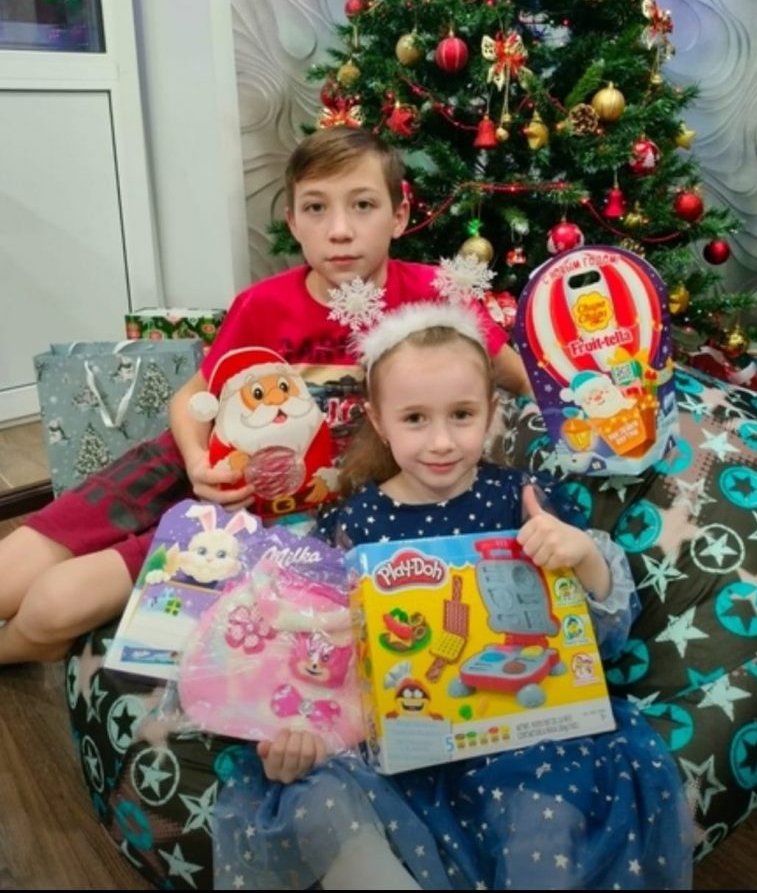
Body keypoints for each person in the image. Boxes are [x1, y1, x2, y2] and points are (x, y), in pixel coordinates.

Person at [0, 126, 530, 665]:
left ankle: (22, 647)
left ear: (399, 215)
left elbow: (522, 381)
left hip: (267, 510)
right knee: (8, 577)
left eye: (363, 205)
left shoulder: (438, 298)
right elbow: (191, 398)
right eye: (316, 208)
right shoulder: (263, 305)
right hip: (189, 464)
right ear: (293, 223)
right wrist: (196, 462)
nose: (340, 231)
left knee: (54, 606)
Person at [210, 302, 693, 891]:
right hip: (396, 751)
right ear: (378, 420)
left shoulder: (523, 498)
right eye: (414, 418)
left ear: (491, 410)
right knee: (313, 800)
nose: (441, 442)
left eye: (462, 415)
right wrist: (300, 729)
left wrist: (583, 556)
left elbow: (602, 638)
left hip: (527, 745)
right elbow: (312, 650)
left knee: (544, 821)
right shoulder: (352, 523)